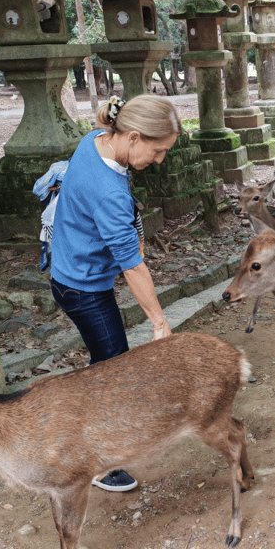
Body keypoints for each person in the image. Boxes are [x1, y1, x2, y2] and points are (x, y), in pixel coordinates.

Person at [50, 94, 180, 492]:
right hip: (83, 287)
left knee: (104, 363)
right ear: (134, 137)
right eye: (157, 151)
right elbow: (132, 266)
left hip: (69, 269)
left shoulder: (94, 139)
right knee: (113, 369)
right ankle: (98, 464)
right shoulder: (110, 193)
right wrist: (159, 321)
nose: (158, 160)